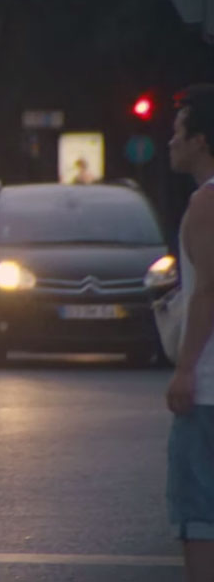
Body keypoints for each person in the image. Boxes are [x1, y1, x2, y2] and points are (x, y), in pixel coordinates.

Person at [165, 84, 214, 581]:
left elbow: (209, 292)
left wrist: (185, 370)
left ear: (201, 141)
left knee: (199, 512)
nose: (170, 141)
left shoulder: (206, 203)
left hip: (209, 389)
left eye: (179, 132)